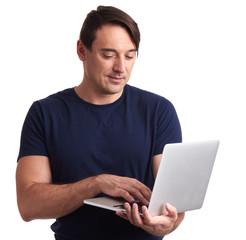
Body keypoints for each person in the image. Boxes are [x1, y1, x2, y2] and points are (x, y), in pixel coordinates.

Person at [16, 5, 185, 240]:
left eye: (130, 55)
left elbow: (175, 207)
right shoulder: (45, 113)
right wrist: (96, 184)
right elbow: (28, 205)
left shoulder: (158, 110)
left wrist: (164, 224)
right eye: (108, 55)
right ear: (81, 50)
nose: (121, 68)